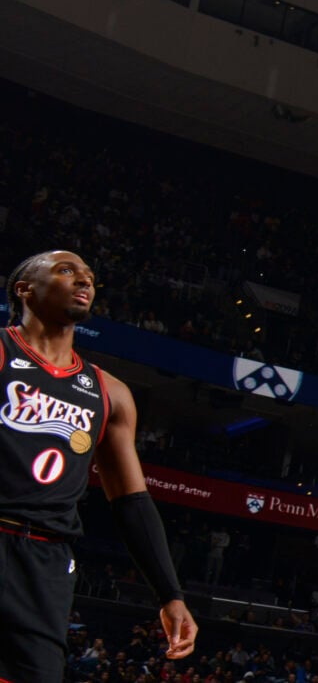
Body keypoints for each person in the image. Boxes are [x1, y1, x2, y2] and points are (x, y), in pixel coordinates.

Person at [3, 251, 197, 683]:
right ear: (24, 290)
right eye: (66, 271)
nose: (84, 281)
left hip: (46, 562)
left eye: (89, 276)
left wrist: (170, 593)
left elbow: (131, 501)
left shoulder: (111, 393)